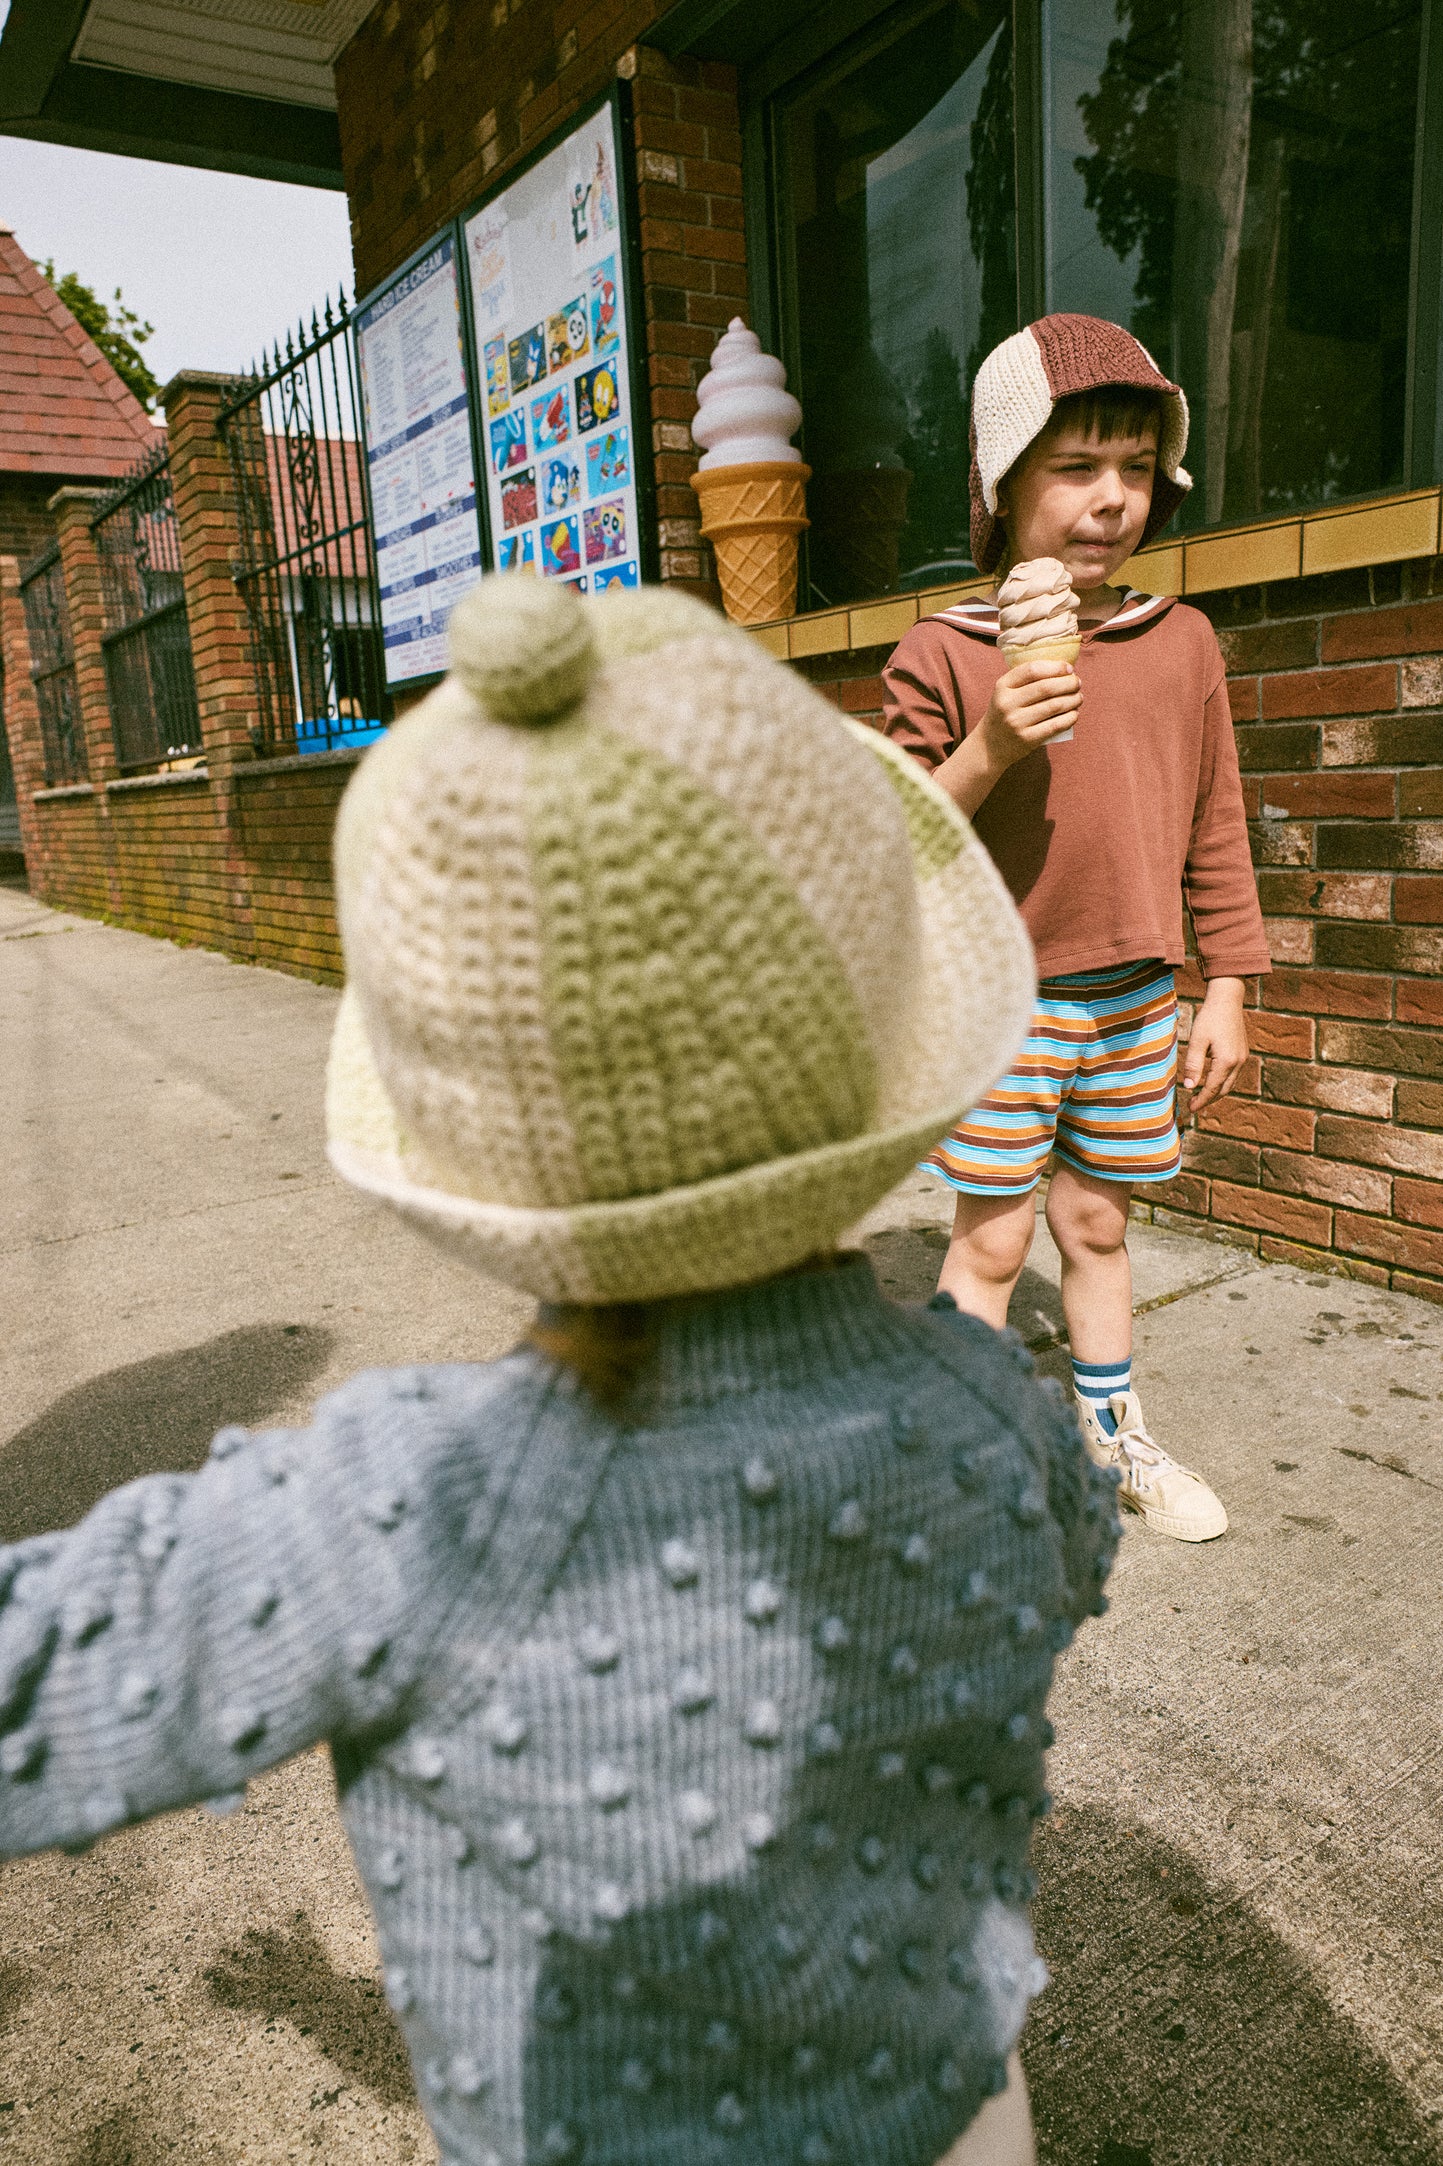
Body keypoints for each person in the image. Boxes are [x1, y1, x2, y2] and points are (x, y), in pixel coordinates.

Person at [0, 575, 1121, 2166]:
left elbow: (39, 1683)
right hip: (954, 2113)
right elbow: (1079, 1556)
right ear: (884, 1047)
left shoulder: (399, 1503)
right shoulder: (994, 1402)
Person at [883, 314, 1271, 1543]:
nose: (1112, 499)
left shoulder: (1180, 644)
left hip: (1131, 1000)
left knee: (1096, 1225)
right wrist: (992, 741)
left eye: (1136, 469)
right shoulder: (942, 648)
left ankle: (1111, 1438)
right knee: (992, 1244)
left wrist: (1226, 987)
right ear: (1003, 488)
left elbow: (1214, 826)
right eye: (1074, 467)